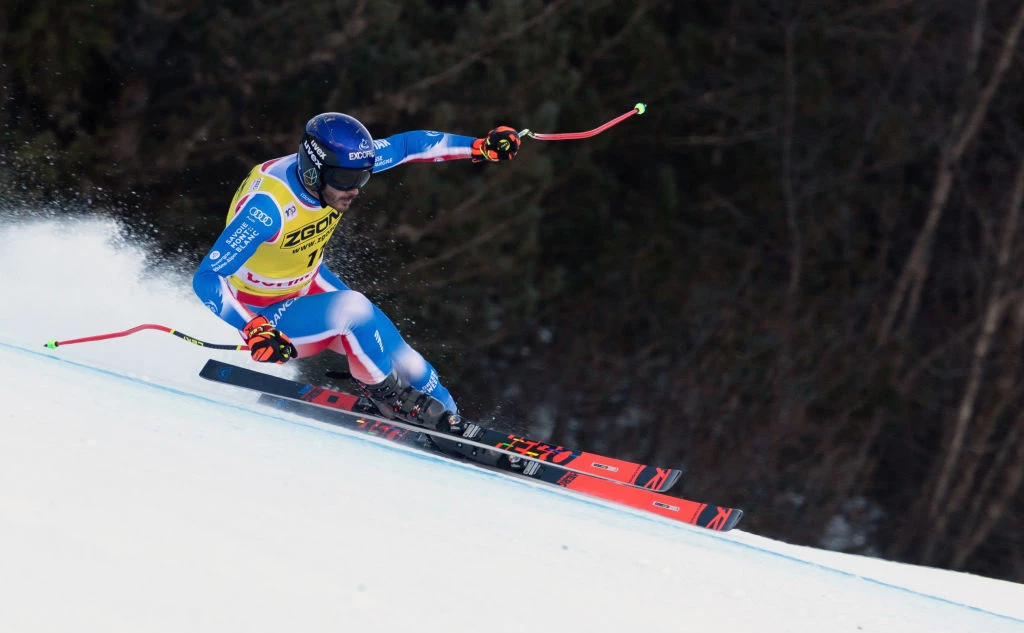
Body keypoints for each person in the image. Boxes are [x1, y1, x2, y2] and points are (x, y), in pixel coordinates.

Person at [193, 112, 519, 432]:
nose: (355, 189)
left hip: (307, 281)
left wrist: (479, 147)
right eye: (347, 181)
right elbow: (207, 278)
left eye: (362, 177)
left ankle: (453, 424)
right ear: (313, 173)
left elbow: (407, 146)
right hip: (264, 313)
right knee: (355, 309)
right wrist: (253, 328)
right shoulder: (267, 209)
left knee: (407, 360)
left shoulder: (341, 166)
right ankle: (388, 399)